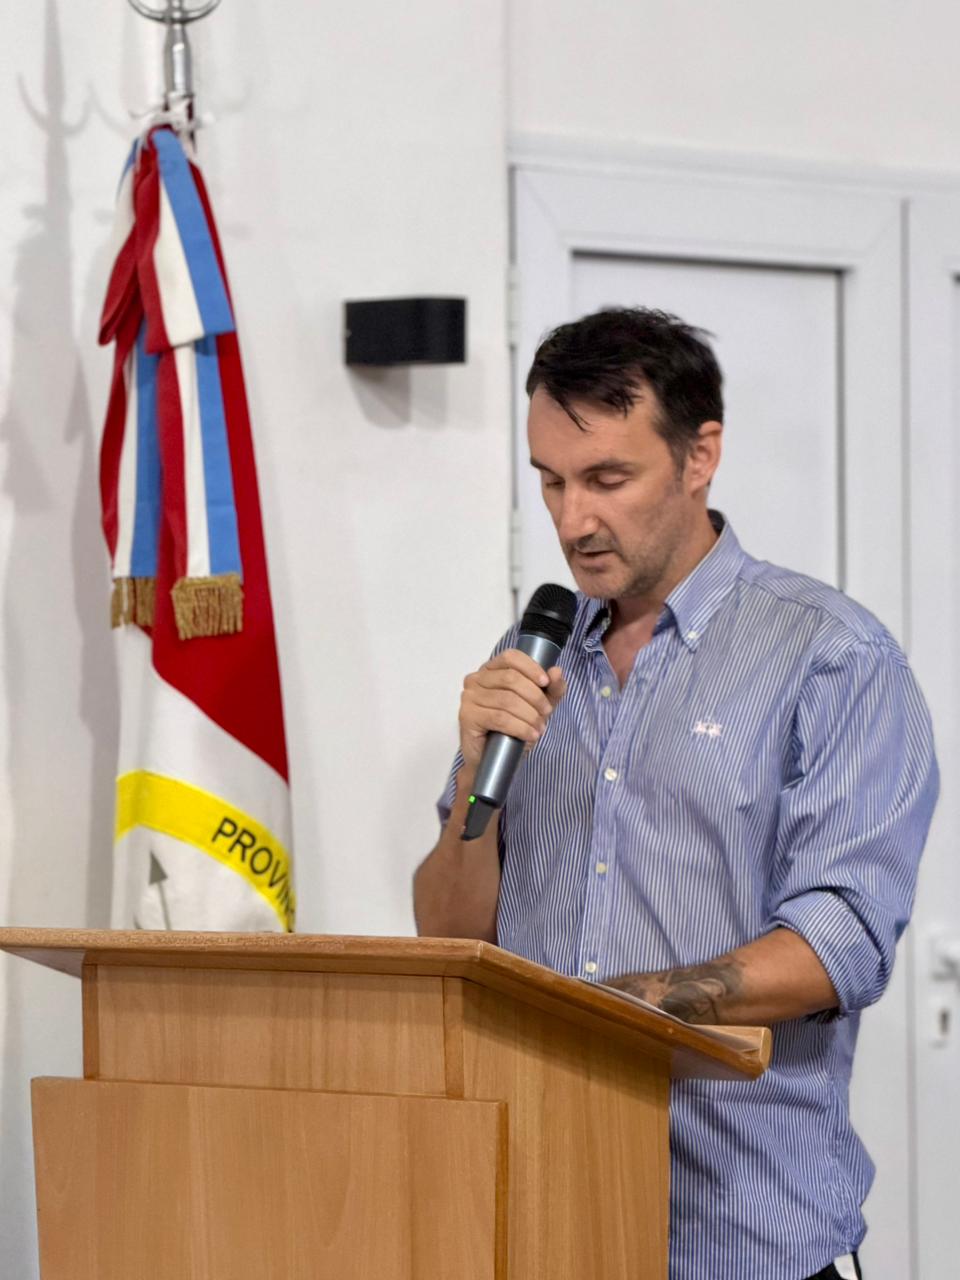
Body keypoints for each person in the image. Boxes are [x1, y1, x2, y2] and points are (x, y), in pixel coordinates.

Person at [413, 307, 938, 1280]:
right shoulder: (531, 656)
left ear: (701, 457)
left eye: (608, 479)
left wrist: (605, 1012)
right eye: (551, 481)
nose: (573, 520)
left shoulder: (831, 656)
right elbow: (448, 931)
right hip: (538, 1217)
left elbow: (839, 944)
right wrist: (473, 773)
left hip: (739, 1237)